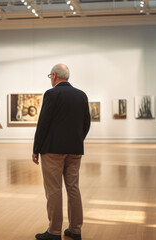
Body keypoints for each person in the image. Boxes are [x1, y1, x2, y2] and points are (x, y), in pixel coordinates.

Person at [32, 64, 90, 240]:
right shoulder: (81, 95)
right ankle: (75, 229)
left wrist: (36, 148)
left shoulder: (52, 94)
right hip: (75, 150)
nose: (51, 78)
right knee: (73, 188)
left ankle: (54, 231)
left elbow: (43, 123)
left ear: (55, 76)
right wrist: (77, 141)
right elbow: (86, 123)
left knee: (54, 190)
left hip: (52, 151)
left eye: (50, 76)